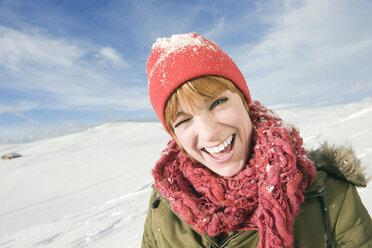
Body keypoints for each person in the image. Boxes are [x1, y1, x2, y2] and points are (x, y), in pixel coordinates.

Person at [142, 32, 372, 248]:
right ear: (175, 136)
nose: (209, 133)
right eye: (183, 121)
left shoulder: (330, 193)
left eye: (217, 103)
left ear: (244, 101)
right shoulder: (163, 205)